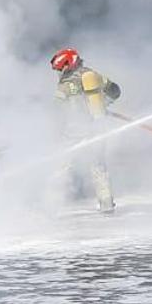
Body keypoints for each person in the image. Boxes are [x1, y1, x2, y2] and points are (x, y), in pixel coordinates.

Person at [51, 47, 116, 212]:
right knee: (99, 167)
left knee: (61, 167)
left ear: (67, 65)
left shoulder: (65, 86)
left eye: (60, 69)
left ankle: (52, 206)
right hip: (98, 128)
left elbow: (57, 111)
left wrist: (56, 132)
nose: (59, 73)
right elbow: (116, 91)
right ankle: (107, 206)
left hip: (74, 133)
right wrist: (104, 104)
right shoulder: (93, 76)